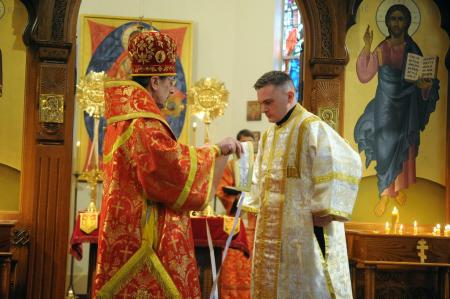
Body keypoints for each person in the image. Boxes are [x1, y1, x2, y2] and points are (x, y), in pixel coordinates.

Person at [93, 29, 242, 299]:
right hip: (146, 241)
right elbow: (172, 170)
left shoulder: (123, 119)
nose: (173, 88)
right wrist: (218, 150)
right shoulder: (143, 123)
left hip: (125, 230)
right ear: (154, 81)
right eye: (170, 81)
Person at [244, 71, 361, 298]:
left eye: (268, 102)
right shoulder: (268, 135)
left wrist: (324, 208)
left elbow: (347, 161)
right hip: (270, 234)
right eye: (261, 104)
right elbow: (259, 178)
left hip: (306, 232)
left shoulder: (311, 127)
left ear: (289, 96)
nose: (263, 110)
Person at [354, 4, 440, 216]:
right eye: (393, 19)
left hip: (407, 105)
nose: (396, 23)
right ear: (388, 22)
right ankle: (384, 192)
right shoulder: (383, 48)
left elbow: (423, 80)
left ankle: (397, 190)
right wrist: (366, 46)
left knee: (404, 146)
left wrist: (425, 87)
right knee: (385, 146)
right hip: (386, 105)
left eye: (401, 19)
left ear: (407, 23)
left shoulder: (413, 49)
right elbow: (365, 75)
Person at [215, 129, 256, 299]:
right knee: (233, 269)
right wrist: (237, 196)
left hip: (254, 225)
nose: (246, 147)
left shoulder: (259, 167)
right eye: (243, 143)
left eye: (250, 144)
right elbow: (221, 189)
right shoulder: (230, 166)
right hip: (235, 227)